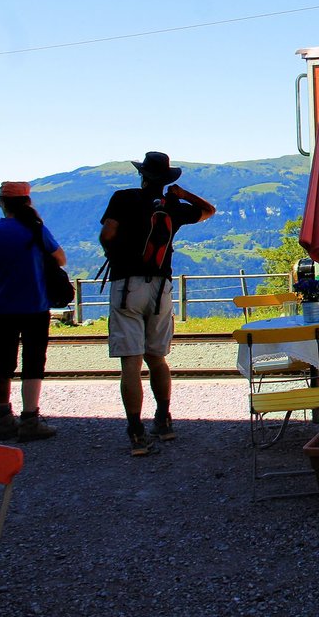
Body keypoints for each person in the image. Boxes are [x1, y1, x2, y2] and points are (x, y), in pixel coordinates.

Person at [99, 152, 215, 456]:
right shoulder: (173, 207)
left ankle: (136, 432)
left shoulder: (122, 198)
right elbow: (209, 210)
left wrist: (116, 254)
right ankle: (163, 421)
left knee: (131, 363)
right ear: (167, 180)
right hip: (161, 287)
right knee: (157, 357)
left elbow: (107, 234)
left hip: (126, 285)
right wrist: (183, 194)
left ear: (142, 175)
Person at [0, 181, 66, 442]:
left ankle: (3, 420)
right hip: (35, 305)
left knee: (3, 364)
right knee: (33, 362)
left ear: (1, 203)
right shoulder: (36, 229)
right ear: (28, 203)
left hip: (3, 305)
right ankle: (30, 419)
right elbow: (60, 258)